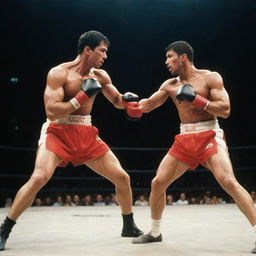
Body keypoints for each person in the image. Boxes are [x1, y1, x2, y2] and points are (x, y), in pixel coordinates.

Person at [0, 30, 143, 251]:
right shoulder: (59, 73)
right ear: (88, 50)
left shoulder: (100, 76)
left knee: (122, 178)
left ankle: (128, 225)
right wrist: (81, 97)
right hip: (58, 131)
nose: (105, 56)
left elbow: (115, 99)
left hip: (85, 132)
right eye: (102, 51)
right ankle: (5, 229)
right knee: (39, 177)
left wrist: (128, 101)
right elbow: (52, 112)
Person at [131, 41, 256, 253]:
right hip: (185, 137)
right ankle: (154, 232)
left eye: (170, 56)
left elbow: (225, 110)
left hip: (208, 134)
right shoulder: (170, 85)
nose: (166, 61)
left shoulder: (210, 77)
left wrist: (197, 100)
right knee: (158, 182)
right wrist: (131, 106)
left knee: (228, 180)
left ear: (183, 57)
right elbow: (148, 104)